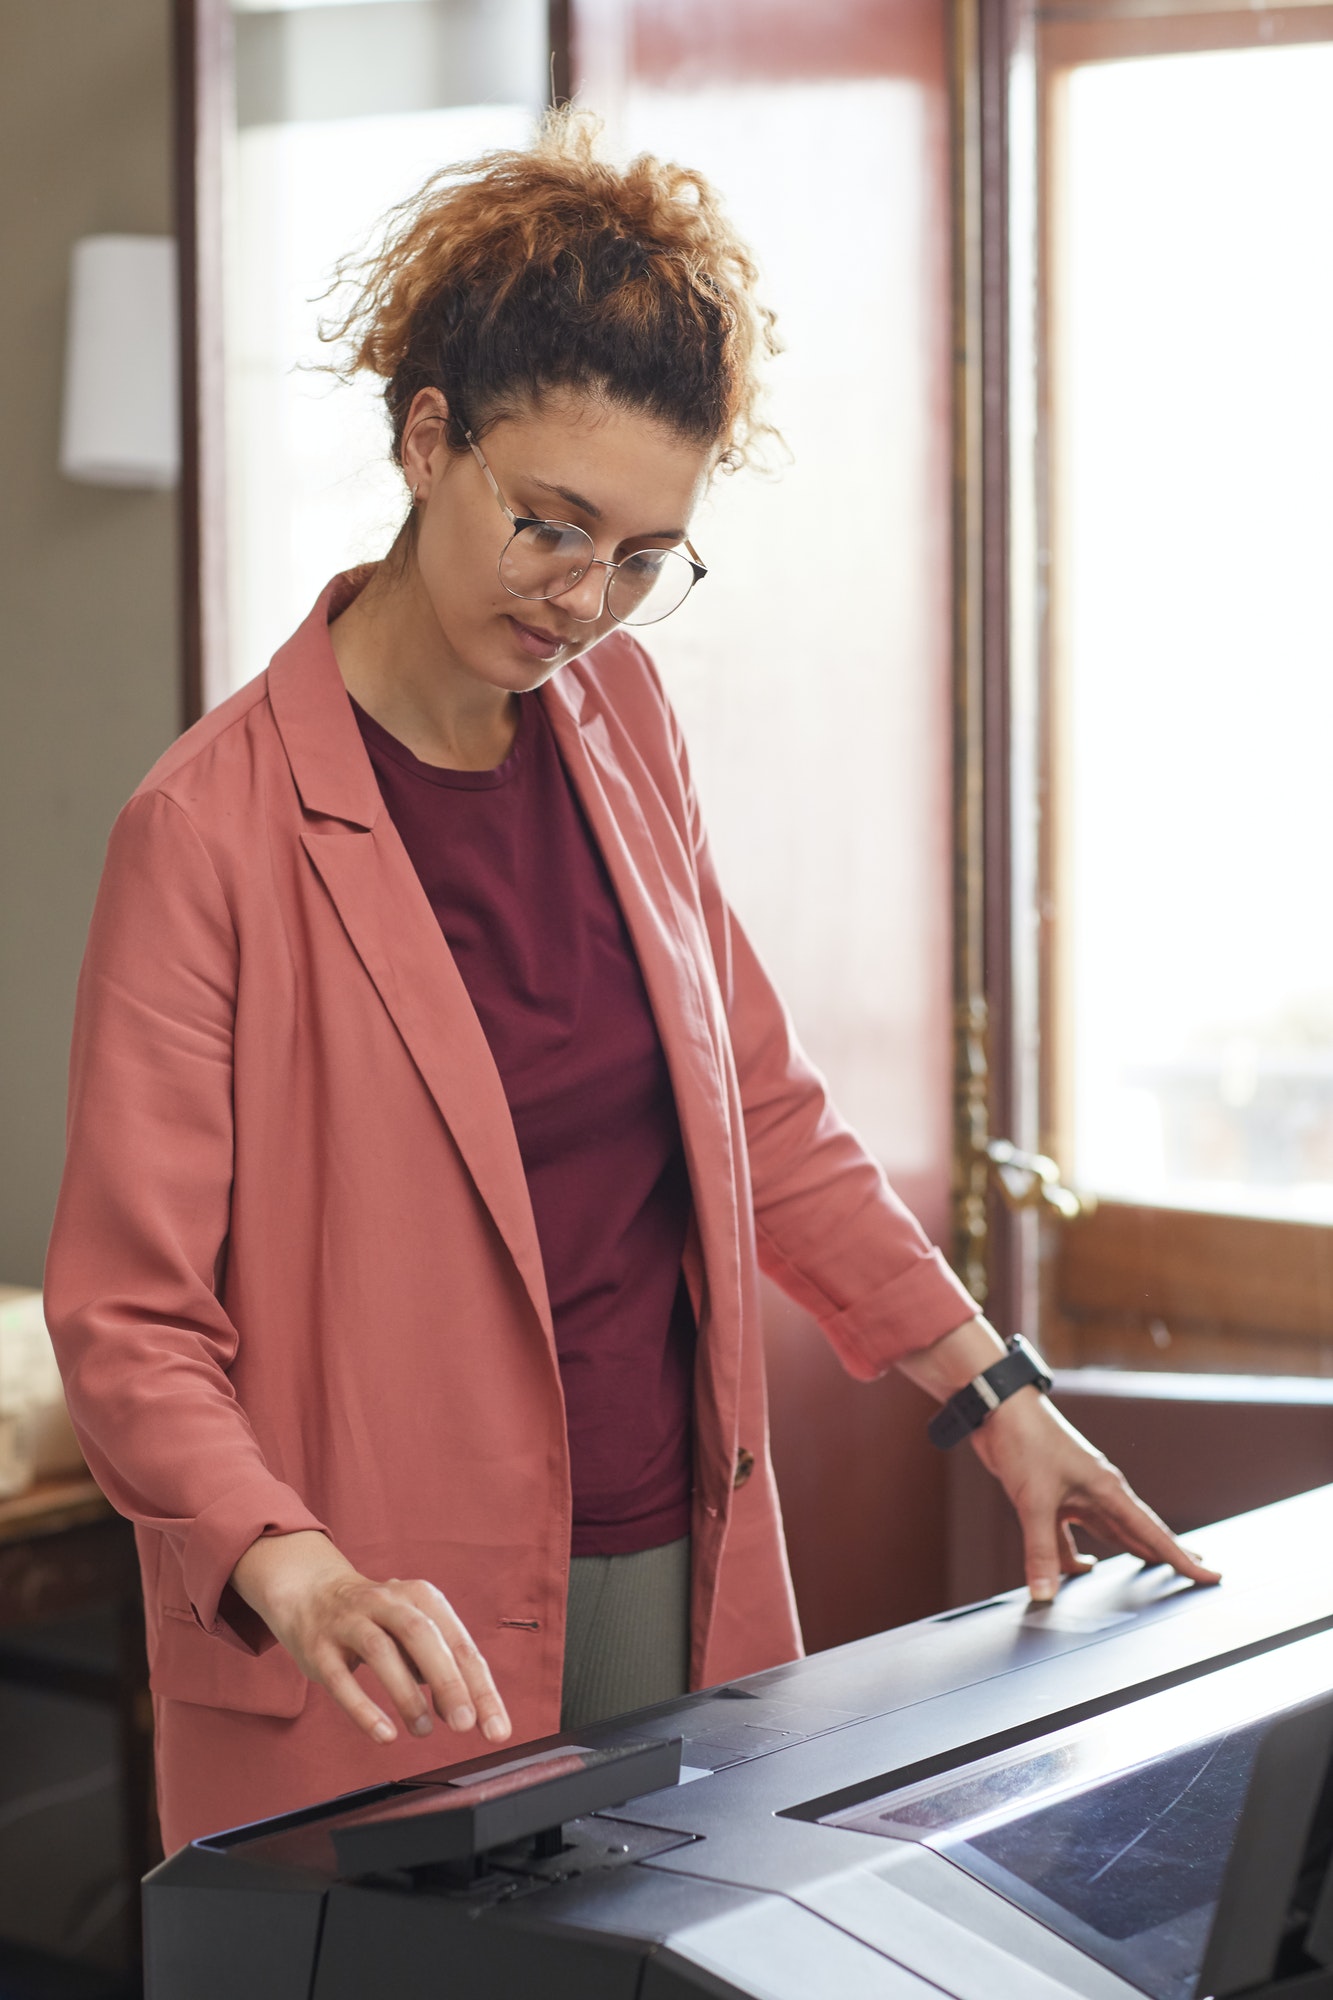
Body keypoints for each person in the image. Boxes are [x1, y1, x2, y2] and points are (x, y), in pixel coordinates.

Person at [44, 112, 1216, 1853]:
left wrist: (997, 1396)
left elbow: (763, 1115)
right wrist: (282, 1562)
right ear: (427, 438)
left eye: (643, 557)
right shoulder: (205, 831)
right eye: (550, 525)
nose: (585, 599)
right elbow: (129, 1325)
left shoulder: (620, 724)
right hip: (383, 1628)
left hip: (675, 1566)